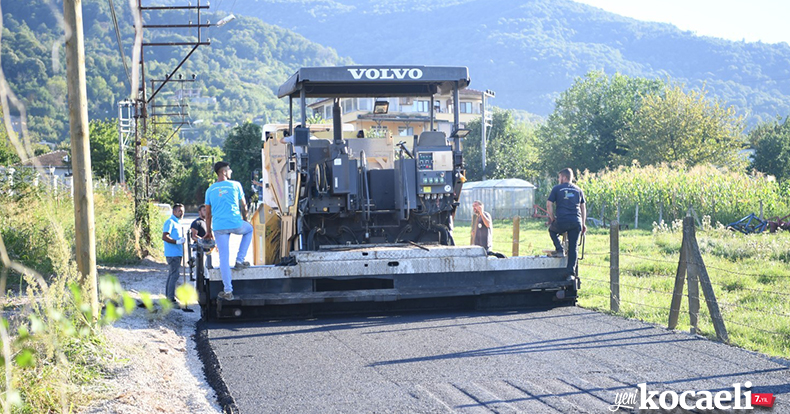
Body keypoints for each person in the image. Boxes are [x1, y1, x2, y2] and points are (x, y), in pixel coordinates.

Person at [204, 161, 253, 301]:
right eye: (229, 169)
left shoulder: (210, 190)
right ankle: (239, 260)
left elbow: (208, 215)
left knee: (223, 258)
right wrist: (245, 219)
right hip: (235, 223)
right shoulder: (236, 185)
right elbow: (244, 206)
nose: (230, 171)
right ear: (224, 172)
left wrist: (208, 231)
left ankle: (228, 291)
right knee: (249, 230)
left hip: (218, 227)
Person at [547, 168, 587, 277]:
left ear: (564, 177)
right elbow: (583, 208)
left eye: (559, 177)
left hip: (562, 220)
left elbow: (549, 204)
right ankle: (570, 274)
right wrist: (583, 223)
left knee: (552, 230)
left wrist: (552, 218)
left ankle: (559, 249)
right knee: (573, 247)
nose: (558, 179)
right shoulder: (578, 190)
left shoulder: (557, 189)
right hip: (576, 222)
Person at [162, 203, 186, 304]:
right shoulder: (170, 222)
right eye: (179, 211)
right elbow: (165, 236)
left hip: (177, 253)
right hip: (172, 254)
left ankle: (168, 296)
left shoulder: (177, 222)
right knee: (174, 275)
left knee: (172, 274)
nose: (181, 213)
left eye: (182, 211)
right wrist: (176, 242)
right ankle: (170, 299)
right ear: (174, 211)